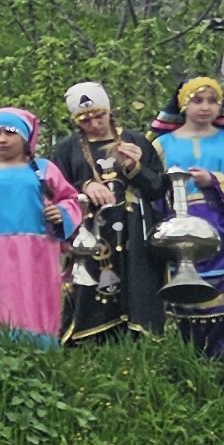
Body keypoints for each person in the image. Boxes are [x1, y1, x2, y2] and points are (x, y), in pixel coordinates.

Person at [149, 77, 224, 359]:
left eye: (213, 101)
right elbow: (153, 191)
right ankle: (190, 356)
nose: (205, 107)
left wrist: (213, 180)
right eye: (197, 100)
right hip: (182, 231)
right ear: (182, 105)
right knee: (187, 296)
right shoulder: (161, 145)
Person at [58, 83, 170, 347]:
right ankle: (89, 337)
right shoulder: (68, 148)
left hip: (134, 226)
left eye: (99, 116)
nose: (94, 124)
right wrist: (85, 185)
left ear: (109, 111)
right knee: (90, 284)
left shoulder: (135, 140)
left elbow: (156, 188)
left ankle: (141, 337)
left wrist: (134, 168)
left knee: (138, 281)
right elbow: (56, 187)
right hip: (91, 230)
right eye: (85, 120)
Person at [0, 111, 75, 346]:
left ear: (26, 138)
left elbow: (70, 198)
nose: (2, 139)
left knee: (38, 295)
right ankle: (6, 348)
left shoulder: (44, 169)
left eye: (10, 132)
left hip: (40, 247)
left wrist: (61, 213)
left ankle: (42, 349)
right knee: (4, 296)